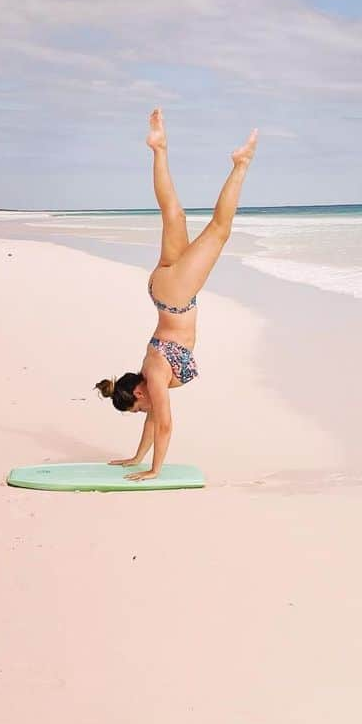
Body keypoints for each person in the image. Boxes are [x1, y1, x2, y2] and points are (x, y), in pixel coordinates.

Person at [95, 108, 258, 480]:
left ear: (137, 394)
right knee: (174, 215)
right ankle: (159, 148)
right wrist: (136, 458)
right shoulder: (147, 376)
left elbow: (164, 424)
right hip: (161, 292)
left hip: (177, 295)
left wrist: (153, 471)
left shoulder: (153, 377)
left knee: (219, 230)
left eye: (139, 409)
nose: (145, 412)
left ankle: (240, 164)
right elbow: (154, 421)